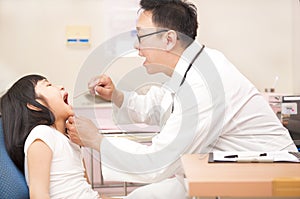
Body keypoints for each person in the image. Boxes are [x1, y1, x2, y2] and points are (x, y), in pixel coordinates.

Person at [67, 0, 298, 198]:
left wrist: (97, 141)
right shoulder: (189, 69)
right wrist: (116, 96)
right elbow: (156, 107)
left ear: (168, 40)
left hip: (268, 180)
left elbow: (158, 162)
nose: (137, 46)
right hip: (222, 171)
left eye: (140, 36)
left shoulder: (206, 84)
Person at [0, 74, 112, 199]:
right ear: (34, 105)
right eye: (48, 85)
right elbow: (39, 195)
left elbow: (86, 190)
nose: (61, 87)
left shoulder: (72, 140)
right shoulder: (42, 134)